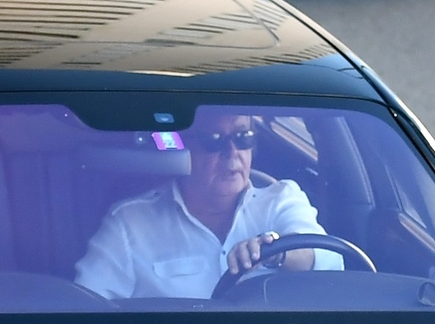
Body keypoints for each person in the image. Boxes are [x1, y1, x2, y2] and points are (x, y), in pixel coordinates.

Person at [73, 111, 340, 300]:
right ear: (181, 148)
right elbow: (86, 306)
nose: (232, 152)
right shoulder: (130, 224)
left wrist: (278, 252)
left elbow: (326, 259)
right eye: (214, 140)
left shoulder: (282, 199)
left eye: (242, 136)